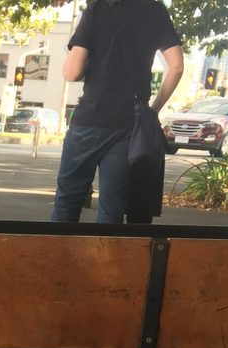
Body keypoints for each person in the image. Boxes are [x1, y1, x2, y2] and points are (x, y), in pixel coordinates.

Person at [52, 0, 184, 224]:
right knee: (112, 207)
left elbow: (71, 73)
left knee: (67, 200)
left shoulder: (97, 9)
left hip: (90, 118)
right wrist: (153, 110)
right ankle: (107, 258)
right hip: (128, 123)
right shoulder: (155, 9)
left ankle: (61, 257)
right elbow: (177, 66)